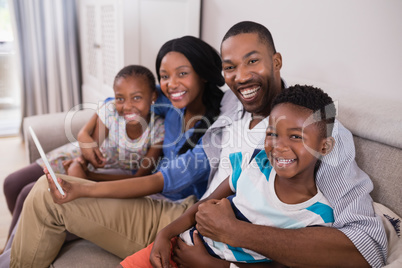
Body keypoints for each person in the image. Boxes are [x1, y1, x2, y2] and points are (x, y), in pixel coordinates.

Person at [8, 22, 386, 268]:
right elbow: (175, 170)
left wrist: (233, 234)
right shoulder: (229, 119)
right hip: (186, 218)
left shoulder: (317, 131)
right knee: (46, 189)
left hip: (214, 236)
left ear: (276, 61)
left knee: (43, 194)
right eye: (230, 67)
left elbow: (367, 245)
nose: (241, 76)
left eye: (252, 61)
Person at [8, 35, 224, 267]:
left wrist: (85, 185)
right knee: (27, 188)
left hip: (170, 205)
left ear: (202, 74)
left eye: (182, 73)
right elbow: (122, 98)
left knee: (44, 193)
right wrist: (84, 136)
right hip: (149, 193)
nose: (171, 84)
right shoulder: (172, 105)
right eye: (164, 76)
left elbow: (157, 180)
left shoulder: (215, 132)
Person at [120, 85, 337, 268]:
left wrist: (214, 265)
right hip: (178, 246)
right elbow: (205, 204)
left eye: (295, 136)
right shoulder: (253, 162)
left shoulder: (318, 217)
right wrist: (165, 234)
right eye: (272, 134)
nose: (279, 146)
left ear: (324, 146)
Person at [1, 64, 165, 251]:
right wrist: (79, 163)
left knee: (27, 193)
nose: (127, 106)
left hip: (102, 172)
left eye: (136, 97)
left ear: (153, 96)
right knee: (11, 184)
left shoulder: (158, 129)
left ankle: (14, 250)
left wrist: (86, 175)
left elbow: (140, 178)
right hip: (77, 157)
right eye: (120, 98)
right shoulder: (111, 112)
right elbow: (88, 153)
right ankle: (11, 244)